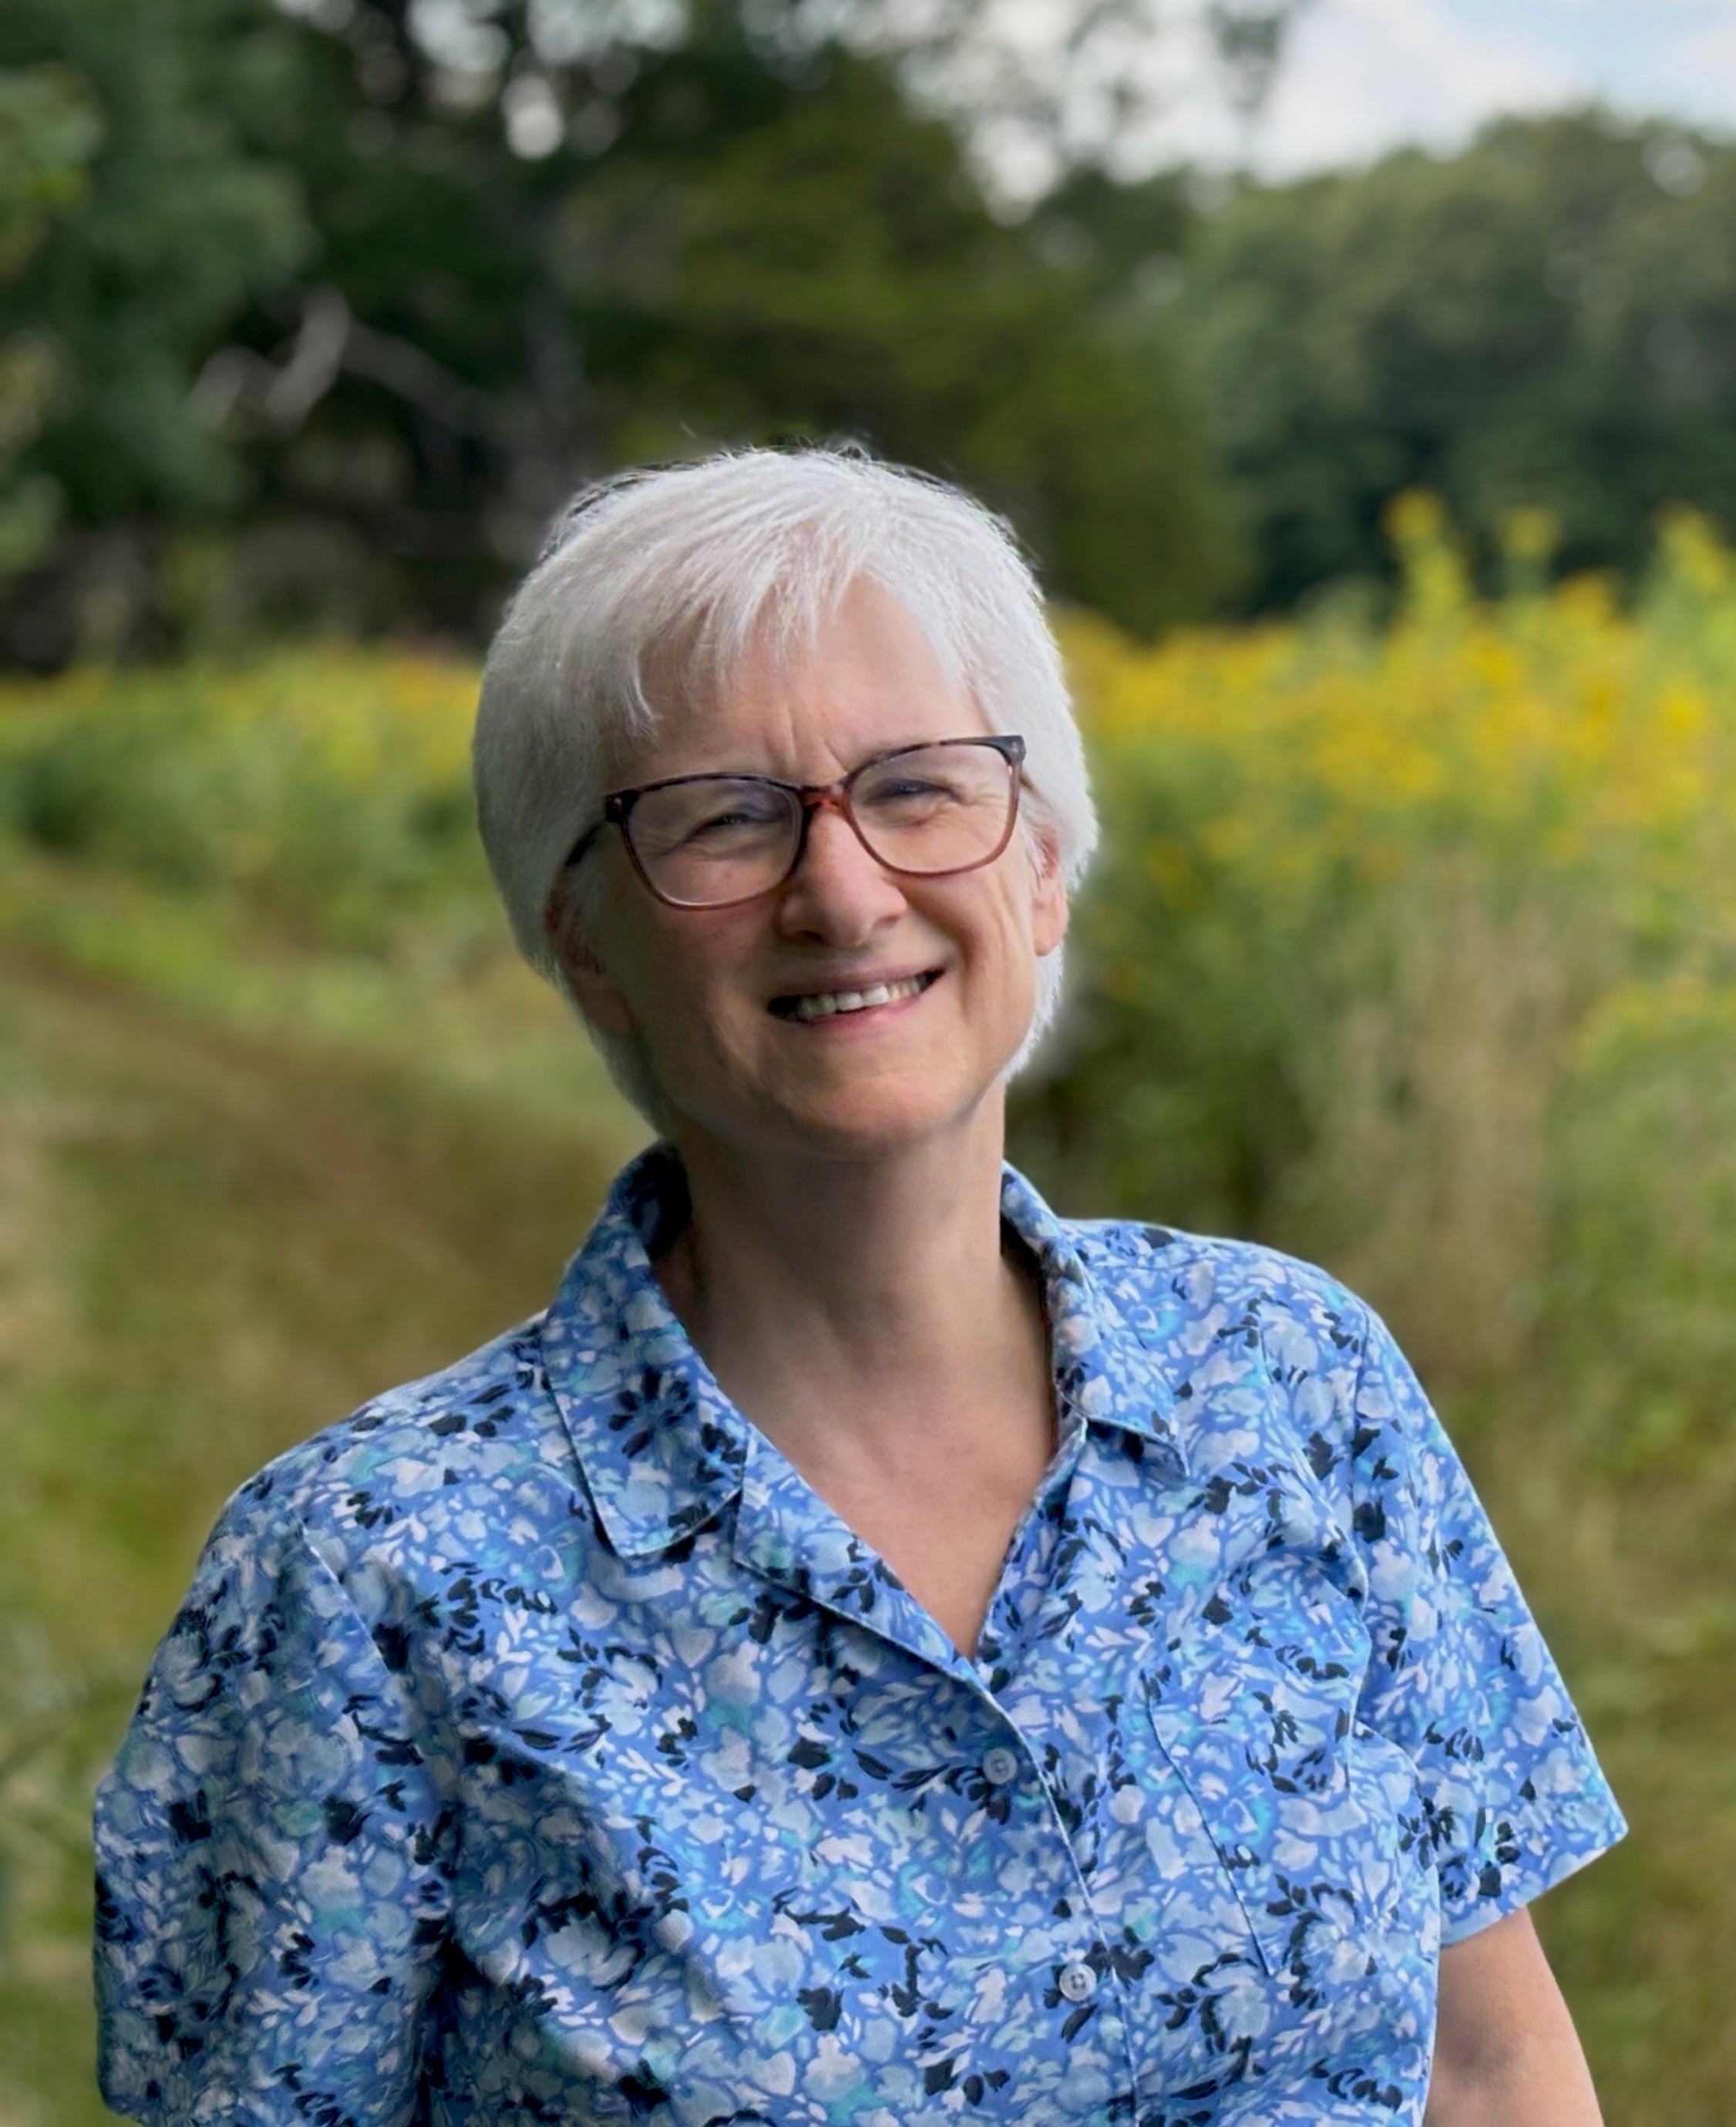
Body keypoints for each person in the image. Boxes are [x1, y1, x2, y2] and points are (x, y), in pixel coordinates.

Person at [94, 449, 1623, 2126]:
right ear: (584, 938)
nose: (840, 891)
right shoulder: (366, 1582)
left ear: (1040, 868)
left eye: (917, 788)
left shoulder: (1297, 1378)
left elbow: (1489, 2063)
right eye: (724, 818)